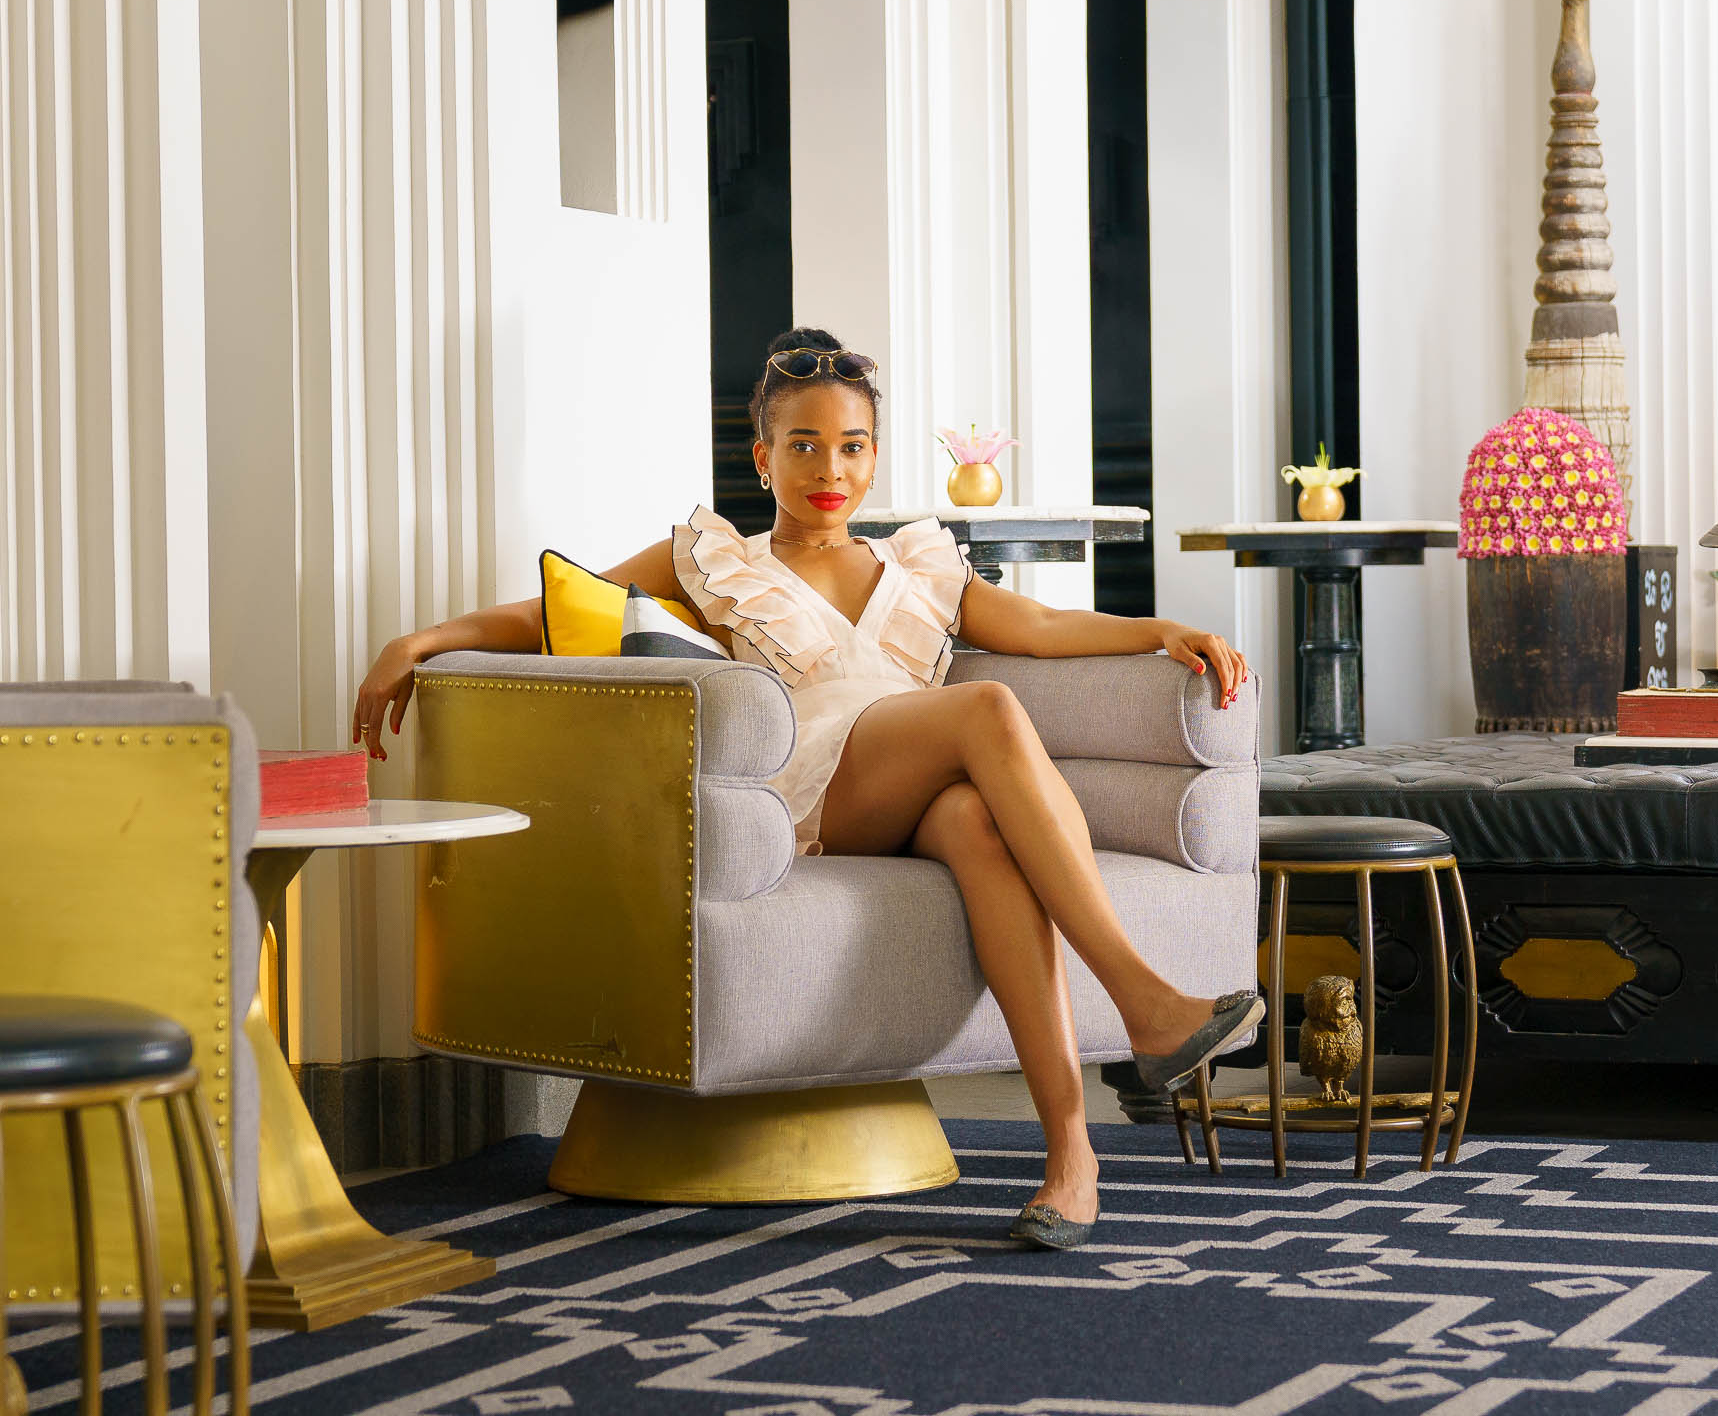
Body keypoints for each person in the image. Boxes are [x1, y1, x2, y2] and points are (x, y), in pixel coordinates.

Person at [351, 327, 1264, 1249]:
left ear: (874, 456)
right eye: (804, 445)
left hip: (918, 789)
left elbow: (1040, 624)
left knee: (978, 826)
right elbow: (552, 608)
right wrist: (419, 641)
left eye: (852, 446)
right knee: (987, 706)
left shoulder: (919, 567)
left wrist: (1161, 630)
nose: (831, 469)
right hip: (819, 786)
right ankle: (1141, 996)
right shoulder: (718, 561)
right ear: (764, 458)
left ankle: (1071, 1154)